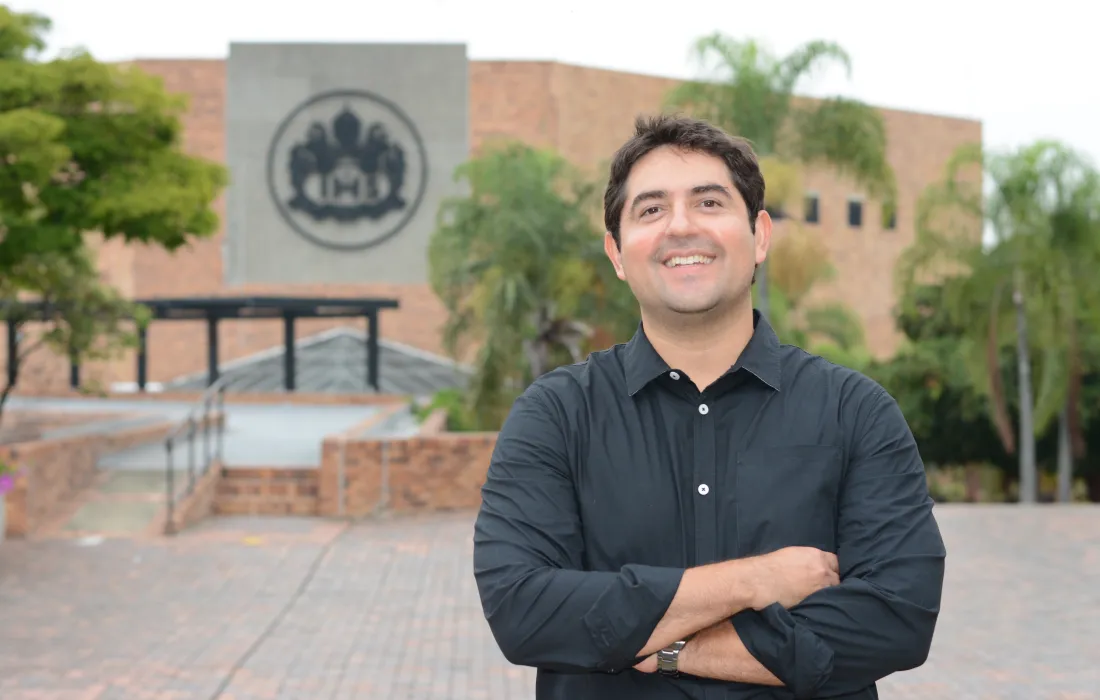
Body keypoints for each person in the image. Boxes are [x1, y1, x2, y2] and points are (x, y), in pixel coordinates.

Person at [472, 114, 946, 700]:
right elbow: (524, 610)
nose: (681, 226)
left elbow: (897, 617)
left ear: (760, 236)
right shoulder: (555, 416)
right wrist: (753, 581)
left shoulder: (856, 412)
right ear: (616, 253)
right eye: (651, 209)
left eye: (709, 202)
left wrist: (671, 651)